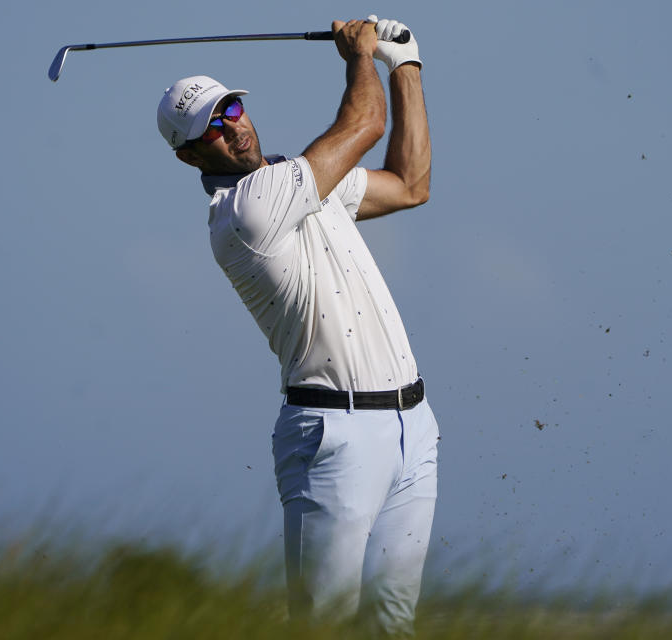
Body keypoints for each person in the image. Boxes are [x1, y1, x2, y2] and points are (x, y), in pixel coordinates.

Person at [156, 16, 437, 636]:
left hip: (412, 429)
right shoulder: (245, 214)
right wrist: (360, 54)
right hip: (331, 436)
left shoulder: (304, 181)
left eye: (231, 109)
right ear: (189, 154)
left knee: (396, 626)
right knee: (325, 626)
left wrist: (406, 66)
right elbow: (364, 125)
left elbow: (411, 185)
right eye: (211, 128)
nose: (232, 129)